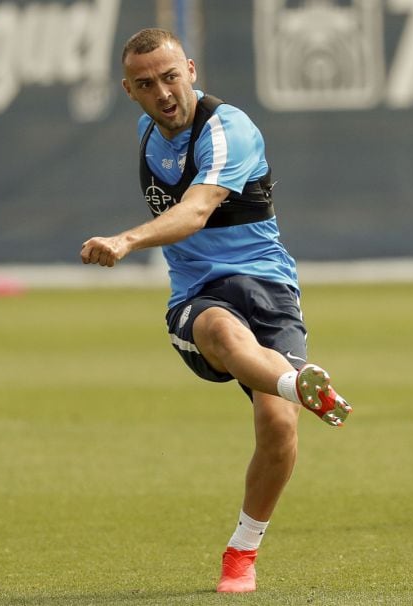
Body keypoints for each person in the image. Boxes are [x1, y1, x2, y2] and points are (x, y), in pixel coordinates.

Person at [80, 28, 352, 593]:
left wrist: (128, 241)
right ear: (128, 90)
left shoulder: (227, 128)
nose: (164, 93)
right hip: (199, 297)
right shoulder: (145, 132)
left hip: (271, 289)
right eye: (147, 84)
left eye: (171, 76)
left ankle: (242, 554)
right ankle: (297, 382)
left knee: (277, 426)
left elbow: (197, 210)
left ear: (193, 70)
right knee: (223, 333)